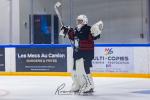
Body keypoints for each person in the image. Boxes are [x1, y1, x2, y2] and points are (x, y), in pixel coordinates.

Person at [59, 14, 103, 93]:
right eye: (78, 20)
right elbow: (73, 36)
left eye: (80, 21)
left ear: (85, 21)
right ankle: (77, 85)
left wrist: (97, 33)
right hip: (77, 52)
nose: (78, 22)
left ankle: (89, 85)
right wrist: (67, 31)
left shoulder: (88, 29)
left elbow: (93, 36)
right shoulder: (76, 29)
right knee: (74, 70)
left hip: (86, 52)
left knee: (84, 70)